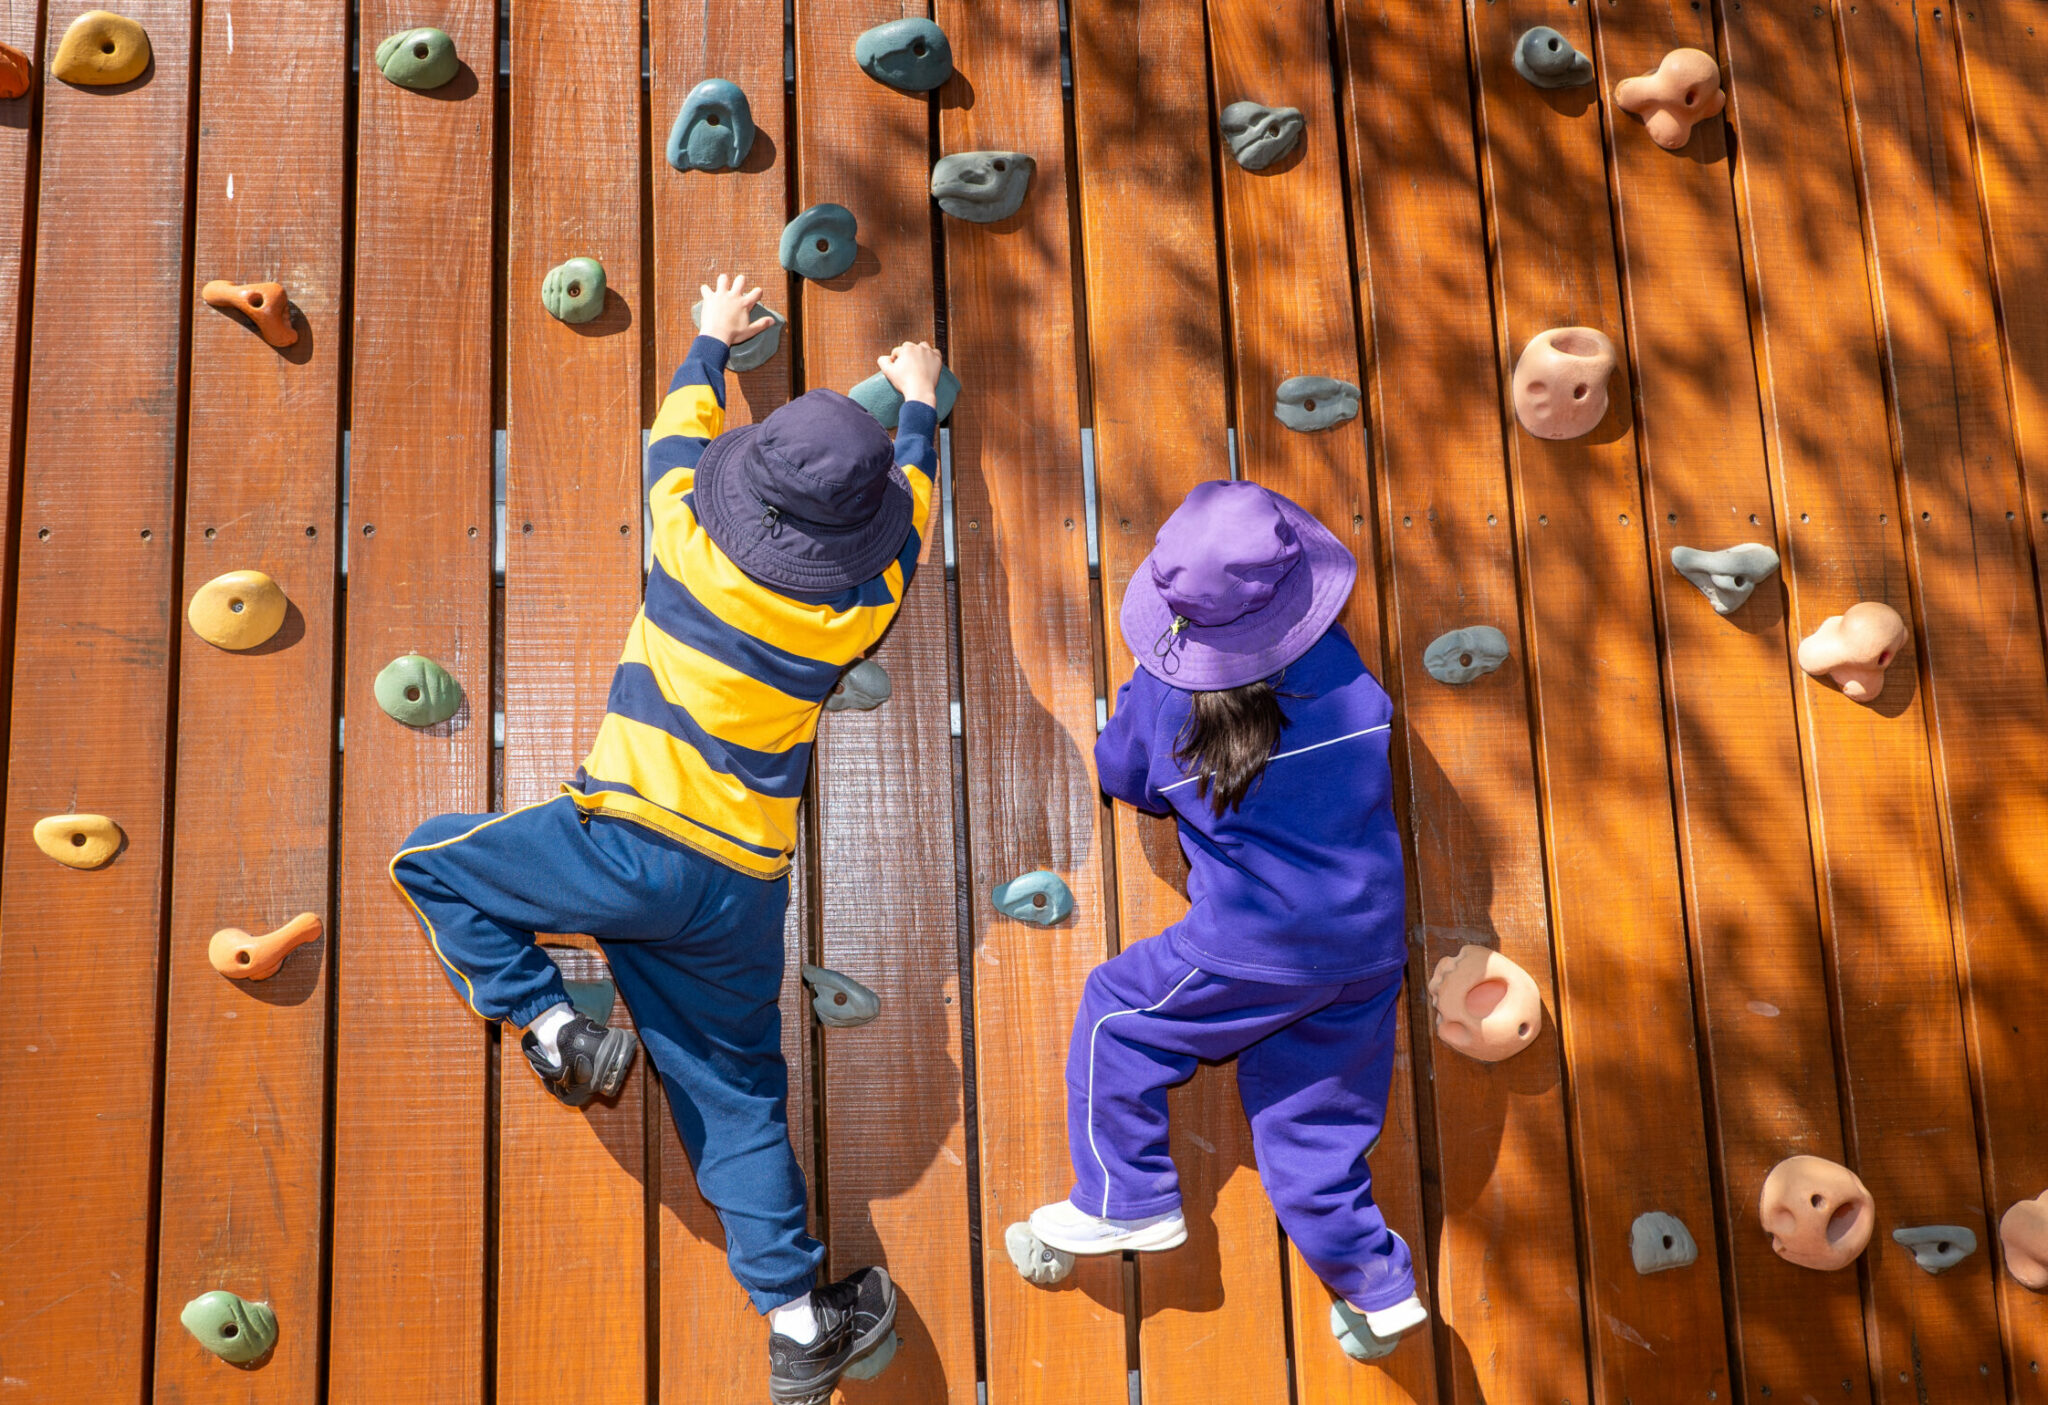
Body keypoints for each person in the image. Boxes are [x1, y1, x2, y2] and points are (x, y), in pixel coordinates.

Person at [389, 273, 942, 1405]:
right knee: (735, 1094)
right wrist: (917, 403)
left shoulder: (685, 536)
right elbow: (916, 509)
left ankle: (551, 1027)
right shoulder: (864, 600)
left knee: (433, 860)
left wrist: (709, 341)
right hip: (740, 888)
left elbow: (674, 429)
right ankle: (797, 1323)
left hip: (626, 842)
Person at [1027, 478, 1429, 1347]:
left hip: (1254, 943)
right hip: (1365, 948)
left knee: (1115, 1015)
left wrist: (1148, 688)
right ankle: (1378, 1284)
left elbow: (1122, 776)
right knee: (1314, 1126)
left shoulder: (1169, 702)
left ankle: (1122, 1197)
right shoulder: (1344, 672)